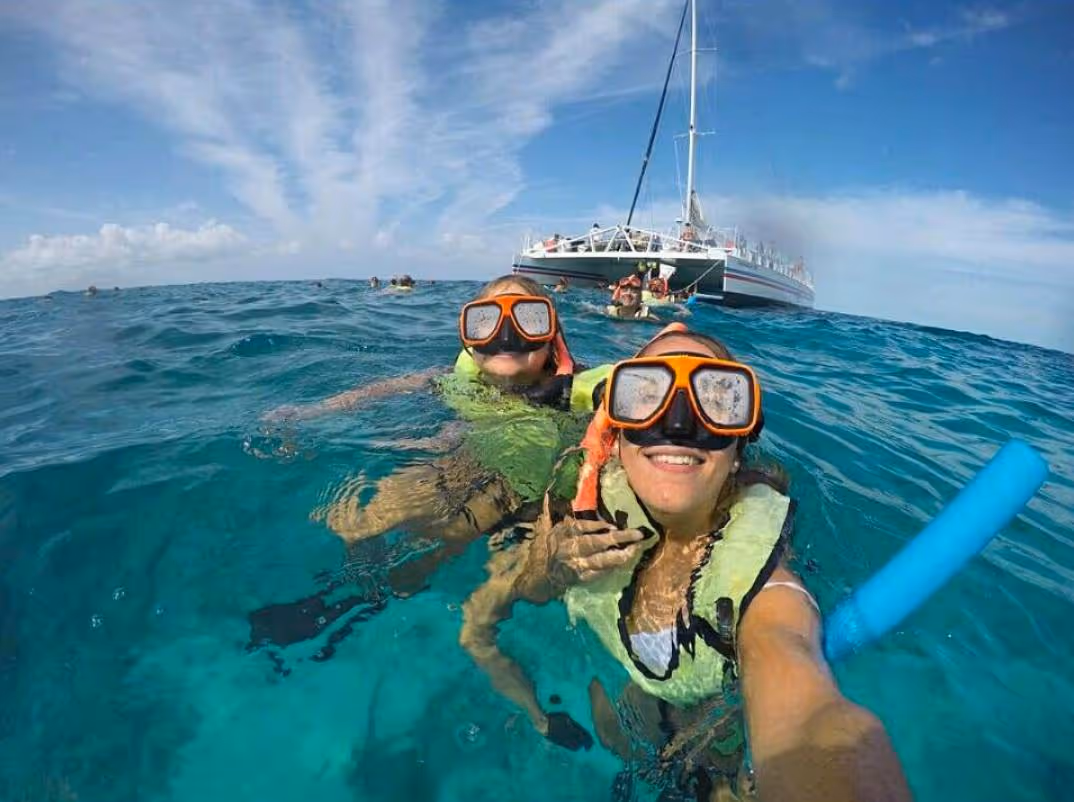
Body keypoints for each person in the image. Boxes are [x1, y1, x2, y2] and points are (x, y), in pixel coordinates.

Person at [459, 324, 911, 801]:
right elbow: (491, 610)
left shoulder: (765, 589)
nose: (677, 424)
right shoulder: (575, 510)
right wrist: (551, 566)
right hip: (616, 725)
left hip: (712, 746)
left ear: (739, 447)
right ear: (614, 435)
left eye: (717, 399)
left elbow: (806, 705)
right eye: (644, 395)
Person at [252, 276, 611, 654]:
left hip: (540, 499)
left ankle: (373, 597)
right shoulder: (459, 380)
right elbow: (386, 388)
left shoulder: (584, 393)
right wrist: (310, 413)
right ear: (469, 341)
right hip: (465, 462)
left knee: (468, 575)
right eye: (486, 322)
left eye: (529, 319)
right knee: (362, 521)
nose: (507, 335)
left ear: (553, 337)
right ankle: (353, 588)